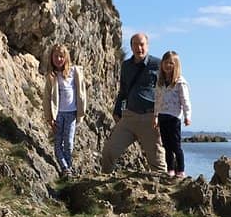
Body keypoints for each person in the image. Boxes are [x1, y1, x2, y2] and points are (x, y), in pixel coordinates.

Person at [100, 32, 167, 173]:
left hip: (150, 119)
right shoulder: (126, 66)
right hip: (129, 117)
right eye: (135, 45)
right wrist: (117, 110)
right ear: (131, 47)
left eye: (142, 44)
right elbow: (123, 91)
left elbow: (167, 90)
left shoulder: (158, 64)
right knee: (109, 152)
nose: (139, 48)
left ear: (147, 46)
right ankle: (105, 182)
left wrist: (164, 116)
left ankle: (163, 191)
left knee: (157, 162)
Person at [43, 43, 87, 176]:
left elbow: (82, 92)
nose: (58, 59)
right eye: (56, 56)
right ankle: (65, 168)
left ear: (66, 57)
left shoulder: (74, 72)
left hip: (71, 113)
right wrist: (49, 118)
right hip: (58, 114)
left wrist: (81, 112)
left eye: (61, 56)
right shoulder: (51, 76)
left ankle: (68, 167)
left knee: (68, 142)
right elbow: (46, 98)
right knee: (58, 142)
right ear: (51, 58)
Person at [154, 50, 192, 178]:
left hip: (174, 118)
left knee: (176, 146)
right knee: (166, 146)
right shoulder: (160, 82)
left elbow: (185, 100)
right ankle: (170, 169)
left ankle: (180, 170)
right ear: (162, 64)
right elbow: (157, 101)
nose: (167, 65)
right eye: (165, 62)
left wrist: (188, 116)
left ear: (176, 65)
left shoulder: (180, 82)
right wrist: (155, 116)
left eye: (171, 63)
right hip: (162, 116)